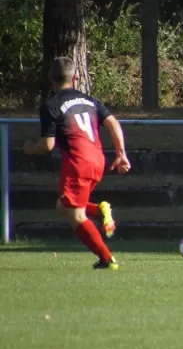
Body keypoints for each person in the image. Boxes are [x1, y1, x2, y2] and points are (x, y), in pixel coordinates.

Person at [24, 56, 131, 270]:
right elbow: (112, 122)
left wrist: (29, 148)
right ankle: (100, 210)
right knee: (63, 205)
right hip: (97, 160)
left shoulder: (51, 106)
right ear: (75, 76)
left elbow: (47, 145)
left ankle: (107, 259)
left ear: (49, 77)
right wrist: (121, 153)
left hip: (77, 163)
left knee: (76, 214)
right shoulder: (90, 101)